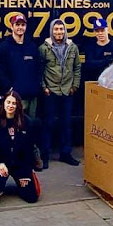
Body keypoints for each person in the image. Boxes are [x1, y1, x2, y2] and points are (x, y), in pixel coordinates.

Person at [0, 12, 43, 170]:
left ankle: (32, 155)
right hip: (15, 97)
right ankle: (13, 159)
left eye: (23, 25)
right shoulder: (4, 47)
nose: (20, 27)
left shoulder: (32, 47)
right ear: (12, 26)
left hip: (31, 95)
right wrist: (9, 89)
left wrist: (36, 86)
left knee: (30, 127)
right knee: (13, 127)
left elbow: (39, 69)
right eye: (17, 25)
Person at [39, 19, 81, 168]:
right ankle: (44, 156)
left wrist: (74, 86)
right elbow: (40, 70)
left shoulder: (72, 47)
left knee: (66, 124)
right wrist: (44, 87)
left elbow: (77, 67)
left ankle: (65, 154)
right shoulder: (44, 48)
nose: (59, 32)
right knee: (48, 124)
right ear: (52, 31)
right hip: (50, 91)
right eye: (56, 29)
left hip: (67, 91)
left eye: (61, 29)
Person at [0, 91, 39, 203]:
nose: (10, 106)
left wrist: (27, 170)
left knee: (32, 197)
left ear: (18, 105)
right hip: (3, 163)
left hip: (20, 163)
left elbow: (29, 149)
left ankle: (23, 181)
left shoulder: (27, 122)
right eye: (8, 102)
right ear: (4, 103)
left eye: (14, 103)